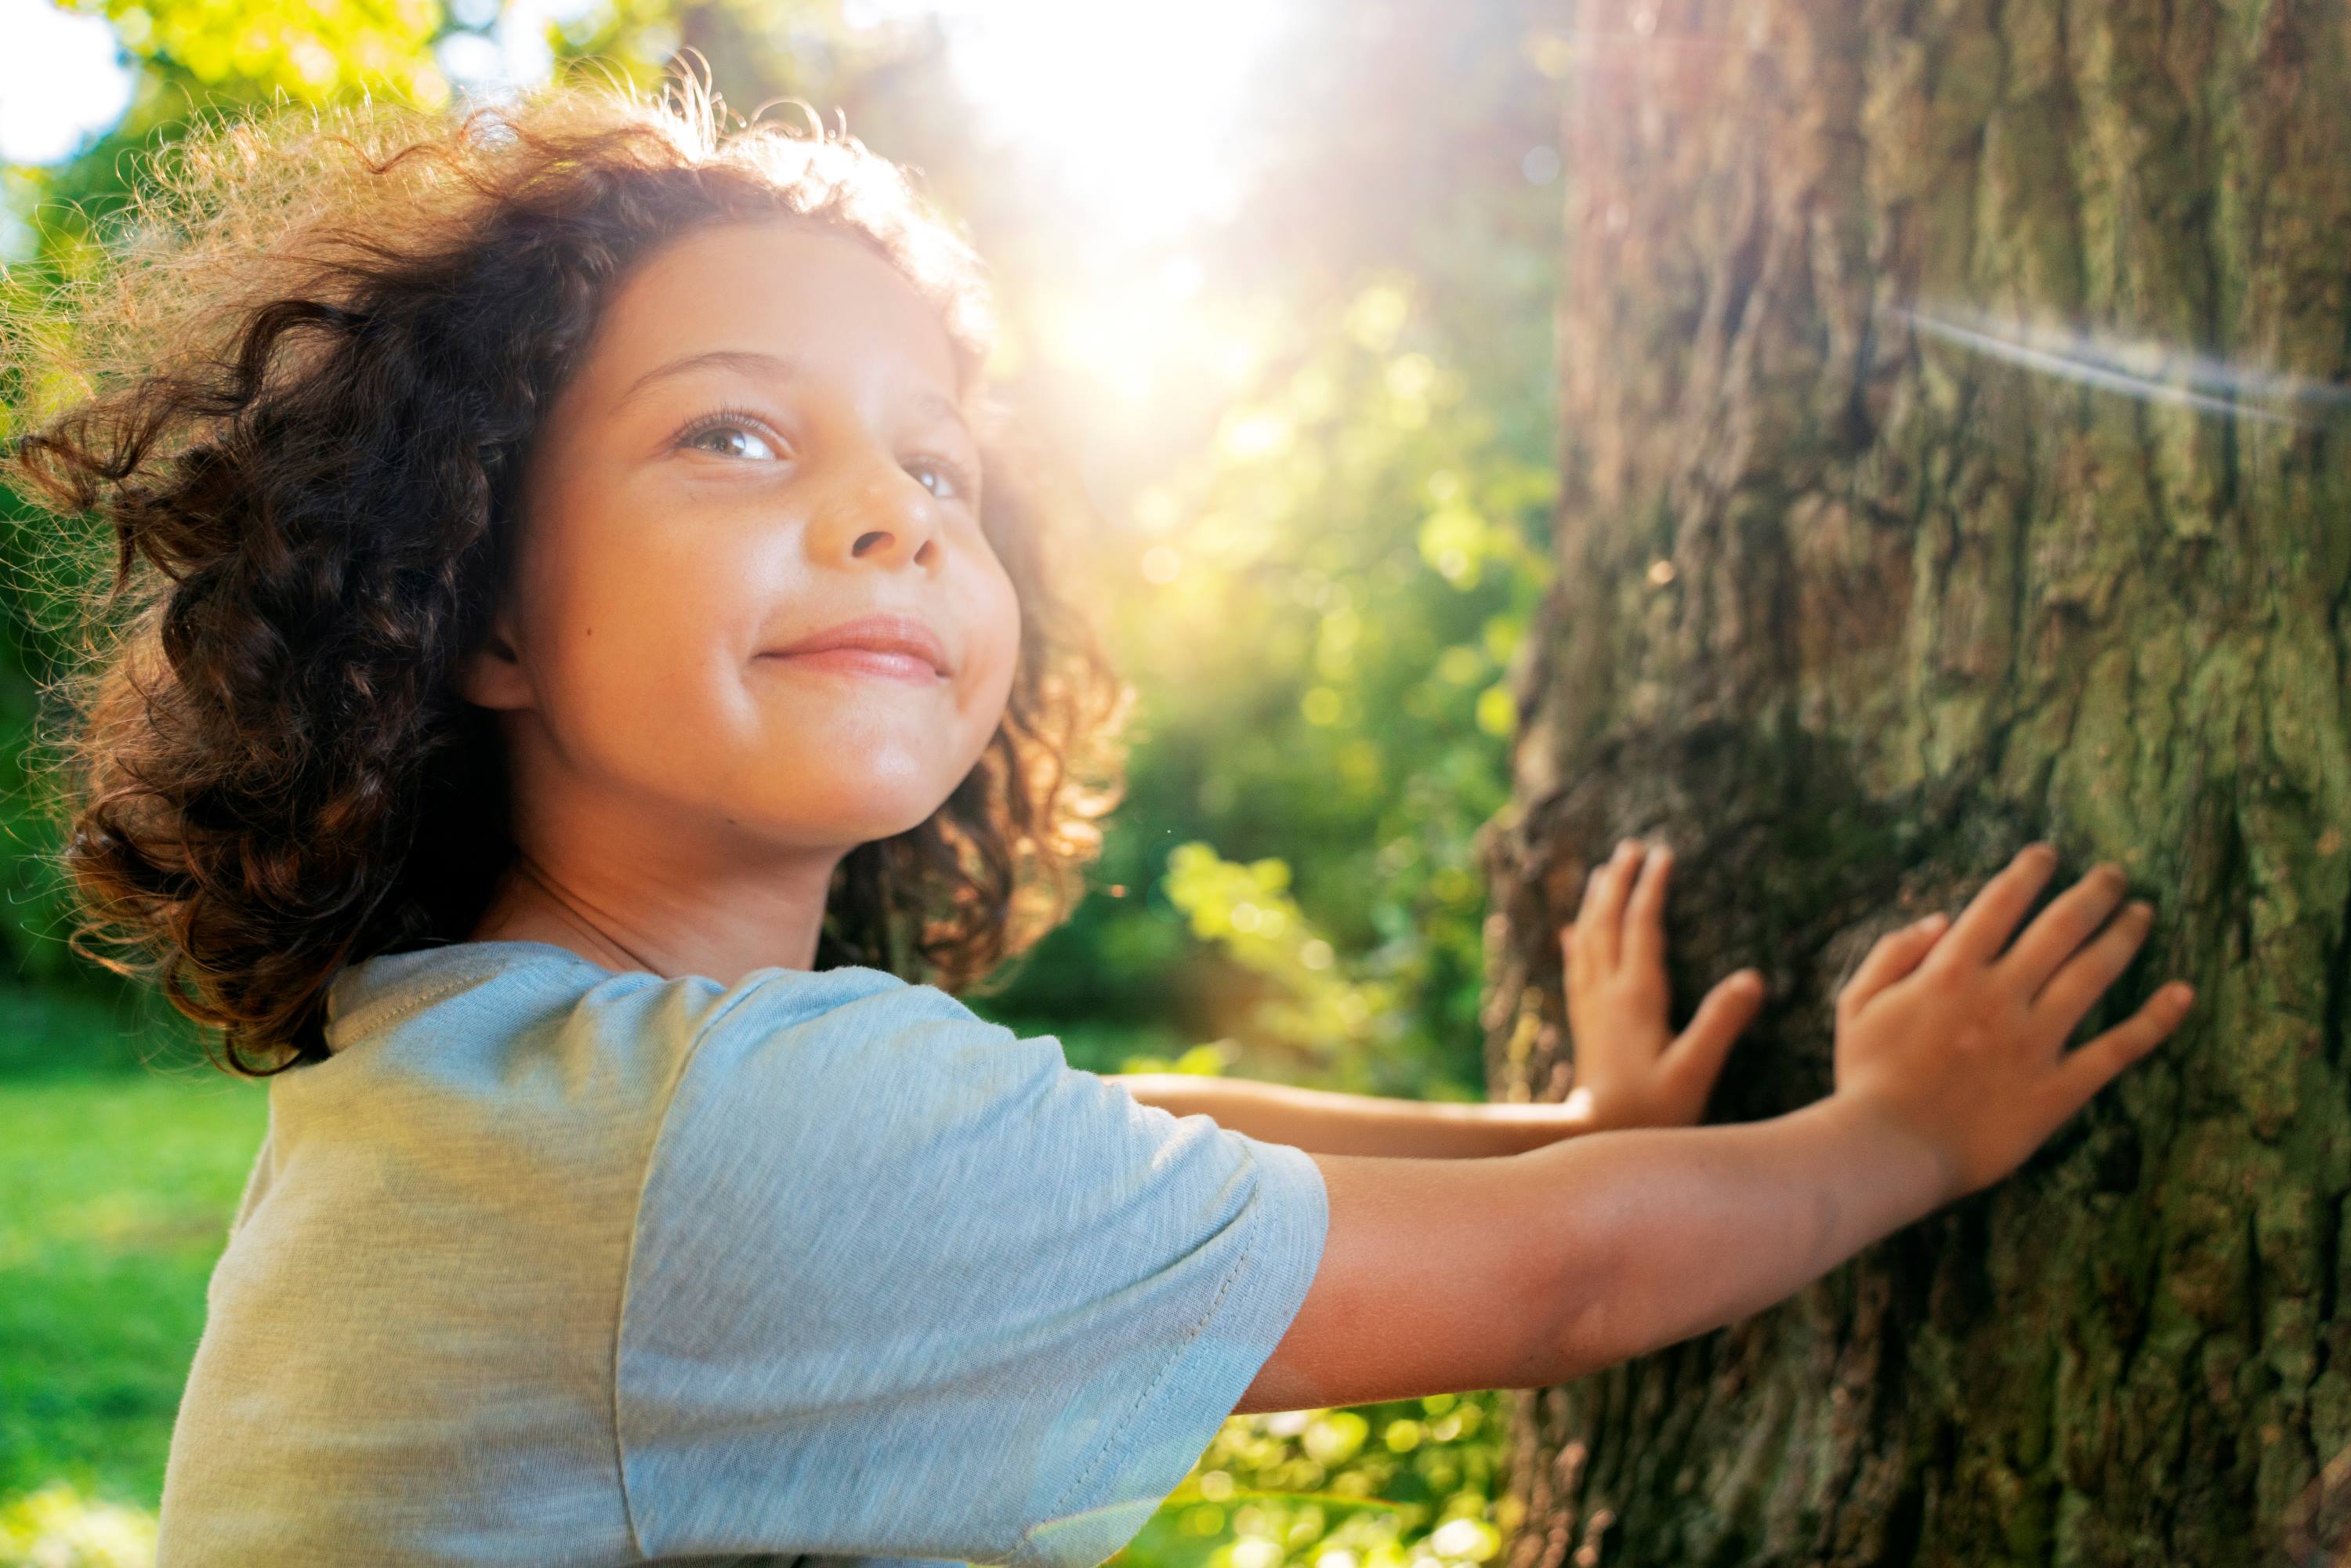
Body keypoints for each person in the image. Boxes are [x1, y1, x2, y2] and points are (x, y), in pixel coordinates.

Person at [4, 71, 2195, 1568]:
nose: (884, 514)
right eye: (737, 441)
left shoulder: (508, 1064)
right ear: (474, 597)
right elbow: (1564, 1287)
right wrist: (1902, 1131)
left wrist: (1578, 1132)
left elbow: (1128, 1127)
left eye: (936, 471)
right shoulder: (725, 1146)